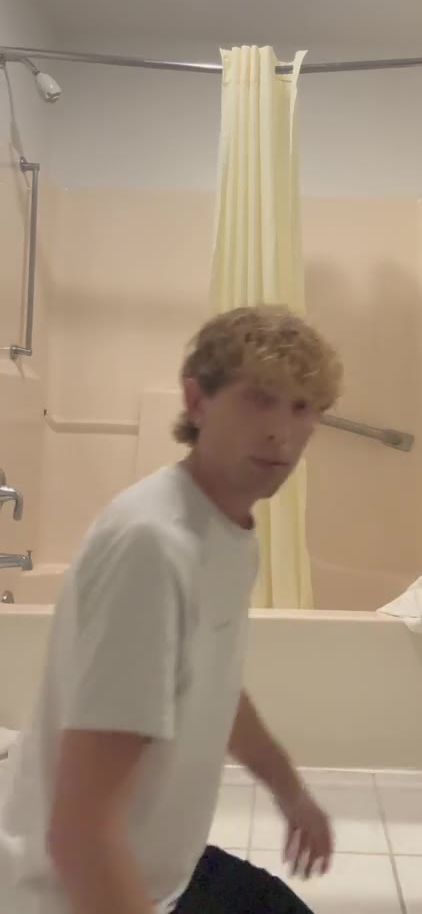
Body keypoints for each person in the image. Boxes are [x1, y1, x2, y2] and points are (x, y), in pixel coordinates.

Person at [0, 304, 343, 914]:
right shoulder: (154, 546)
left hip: (164, 871)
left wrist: (290, 791)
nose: (282, 431)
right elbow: (79, 835)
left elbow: (212, 683)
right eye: (258, 399)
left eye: (302, 406)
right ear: (195, 401)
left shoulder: (228, 531)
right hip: (71, 893)